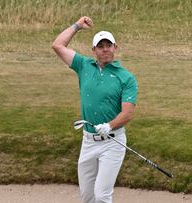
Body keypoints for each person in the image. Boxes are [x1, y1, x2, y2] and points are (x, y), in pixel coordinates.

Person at [52, 16, 138, 203]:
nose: (105, 49)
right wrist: (77, 26)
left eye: (109, 45)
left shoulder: (126, 78)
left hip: (112, 142)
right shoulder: (84, 66)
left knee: (101, 196)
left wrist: (109, 125)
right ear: (94, 50)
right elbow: (58, 45)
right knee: (88, 197)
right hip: (88, 141)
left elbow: (127, 112)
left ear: (115, 48)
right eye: (101, 46)